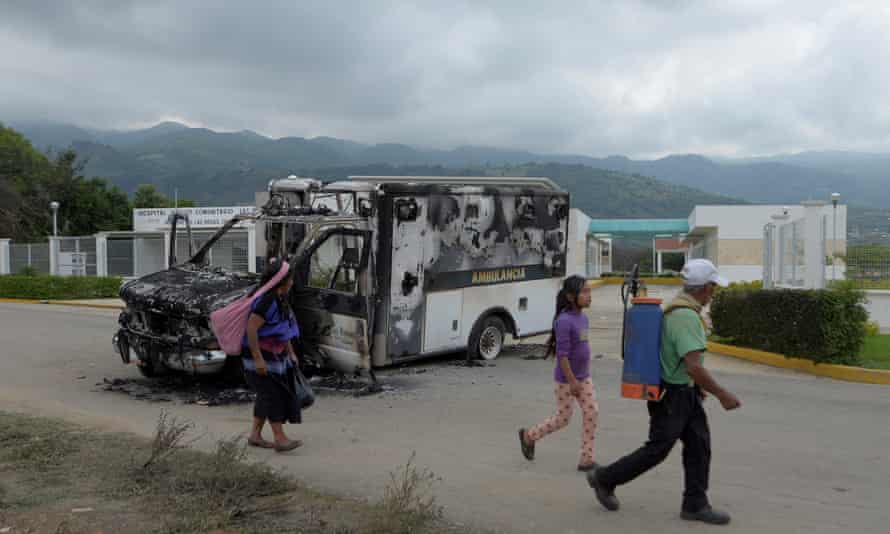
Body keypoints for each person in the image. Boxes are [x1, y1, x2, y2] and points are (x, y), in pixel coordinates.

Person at [587, 259, 741, 525]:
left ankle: (695, 504)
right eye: (713, 287)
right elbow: (693, 366)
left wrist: (696, 388)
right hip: (674, 397)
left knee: (699, 446)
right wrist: (721, 393)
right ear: (703, 288)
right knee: (657, 449)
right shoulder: (686, 316)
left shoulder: (679, 308)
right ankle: (604, 478)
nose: (713, 293)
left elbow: (682, 363)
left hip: (683, 392)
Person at [518, 275, 599, 472]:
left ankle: (586, 459)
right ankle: (529, 436)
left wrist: (583, 372)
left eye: (590, 291)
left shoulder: (583, 318)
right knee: (563, 419)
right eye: (585, 292)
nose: (590, 296)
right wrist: (572, 381)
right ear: (571, 296)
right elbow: (562, 355)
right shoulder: (564, 321)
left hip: (583, 377)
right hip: (566, 380)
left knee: (592, 412)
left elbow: (582, 345)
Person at [243, 258, 303, 453]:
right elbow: (252, 328)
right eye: (290, 279)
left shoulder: (280, 298)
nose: (292, 283)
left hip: (275, 354)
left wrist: (291, 353)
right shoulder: (267, 300)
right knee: (272, 395)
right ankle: (280, 438)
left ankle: (255, 435)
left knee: (266, 395)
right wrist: (258, 358)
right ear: (281, 280)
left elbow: (282, 328)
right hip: (260, 355)